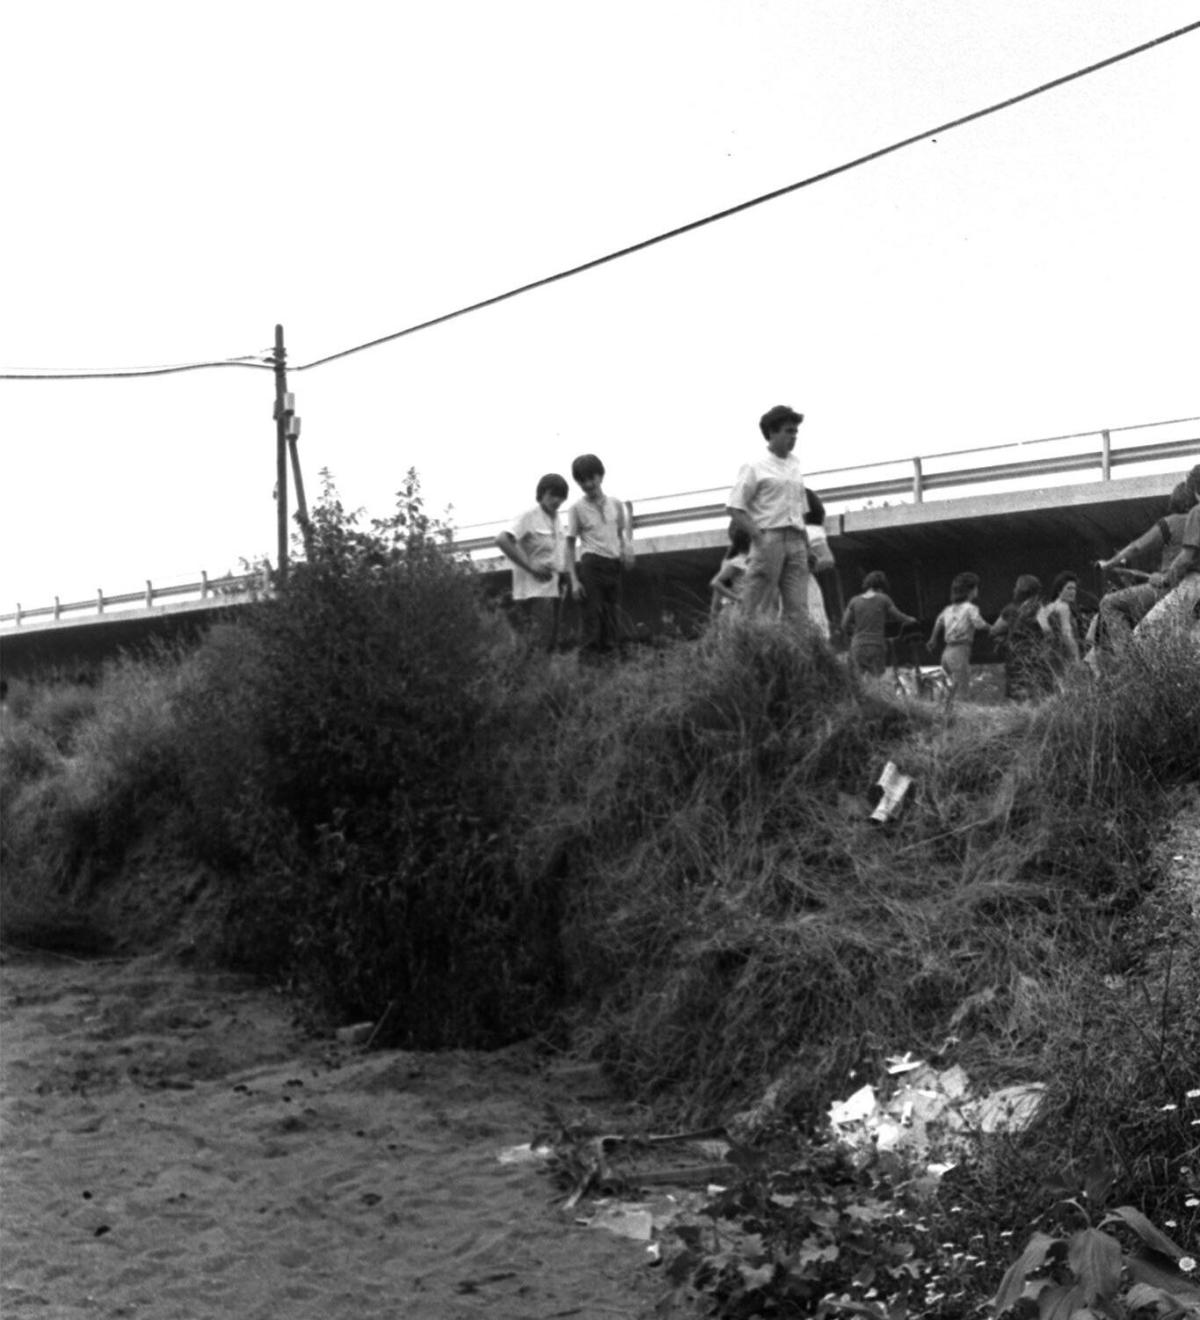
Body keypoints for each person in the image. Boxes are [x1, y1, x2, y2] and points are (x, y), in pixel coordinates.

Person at [725, 404, 811, 630]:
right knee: (755, 603)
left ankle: (793, 656)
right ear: (772, 432)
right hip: (769, 536)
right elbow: (734, 506)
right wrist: (757, 535)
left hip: (796, 538)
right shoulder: (755, 466)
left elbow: (801, 508)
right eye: (787, 431)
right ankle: (742, 650)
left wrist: (806, 542)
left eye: (795, 432)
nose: (793, 437)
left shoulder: (795, 465)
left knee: (798, 607)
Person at [1096, 480, 1196, 645]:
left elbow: (1136, 547)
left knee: (1109, 603)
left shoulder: (1172, 522)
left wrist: (1109, 564)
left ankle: (1131, 661)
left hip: (1169, 588)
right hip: (1193, 590)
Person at [564, 454, 634, 658]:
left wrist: (627, 551)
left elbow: (621, 534)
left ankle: (610, 666)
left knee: (612, 617)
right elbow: (569, 545)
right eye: (582, 480)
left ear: (600, 476)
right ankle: (588, 669)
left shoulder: (616, 504)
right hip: (591, 564)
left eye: (591, 478)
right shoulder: (576, 508)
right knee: (591, 617)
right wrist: (575, 581)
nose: (588, 484)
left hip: (613, 564)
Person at [494, 473, 569, 651]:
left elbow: (557, 554)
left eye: (561, 496)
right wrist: (530, 567)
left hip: (554, 590)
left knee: (550, 645)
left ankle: (544, 678)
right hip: (533, 593)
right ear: (541, 494)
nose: (556, 500)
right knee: (533, 647)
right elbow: (502, 539)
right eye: (552, 495)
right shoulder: (529, 515)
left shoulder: (557, 520)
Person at [1136, 465, 1200, 638]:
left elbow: (1186, 558)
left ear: (1194, 489)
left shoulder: (1197, 511)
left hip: (1194, 585)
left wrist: (1165, 579)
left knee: (1143, 633)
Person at [841, 571, 916, 677]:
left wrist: (854, 633)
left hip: (858, 646)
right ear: (881, 587)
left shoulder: (854, 601)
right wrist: (911, 619)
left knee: (859, 682)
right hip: (876, 645)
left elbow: (844, 624)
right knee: (877, 681)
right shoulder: (883, 599)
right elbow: (898, 616)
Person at [928, 572, 989, 703]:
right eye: (976, 587)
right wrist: (992, 628)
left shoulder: (948, 609)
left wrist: (933, 639)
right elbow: (979, 624)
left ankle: (946, 708)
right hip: (960, 651)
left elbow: (939, 621)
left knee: (954, 689)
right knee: (963, 692)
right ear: (971, 591)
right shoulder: (971, 608)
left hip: (946, 653)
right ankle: (960, 716)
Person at [990, 575, 1049, 699]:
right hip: (1033, 656)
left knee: (1016, 692)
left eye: (1016, 586)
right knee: (1032, 692)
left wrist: (1007, 635)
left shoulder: (1010, 609)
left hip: (1013, 655)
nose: (1014, 589)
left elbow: (994, 631)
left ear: (1023, 589)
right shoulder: (1038, 608)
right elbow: (1047, 630)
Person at [1037, 571, 1083, 677]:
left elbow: (1042, 623)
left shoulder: (1049, 607)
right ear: (1059, 590)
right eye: (1069, 588)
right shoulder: (1063, 607)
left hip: (1050, 654)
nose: (1073, 592)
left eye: (1074, 589)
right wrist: (1076, 659)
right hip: (1065, 655)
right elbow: (1067, 633)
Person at [710, 524, 753, 616]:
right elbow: (716, 583)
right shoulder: (737, 562)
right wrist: (738, 599)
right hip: (733, 609)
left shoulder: (751, 561)